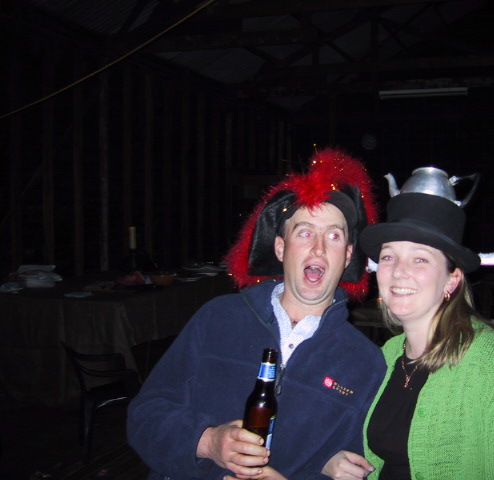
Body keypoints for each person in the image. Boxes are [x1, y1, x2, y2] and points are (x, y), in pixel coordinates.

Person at [127, 148, 386, 480]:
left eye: (333, 236)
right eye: (305, 232)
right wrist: (207, 442)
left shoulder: (365, 362)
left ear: (348, 255)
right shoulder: (217, 319)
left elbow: (354, 465)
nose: (319, 248)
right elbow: (145, 416)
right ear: (280, 248)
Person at [323, 177, 494, 479]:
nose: (398, 271)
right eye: (389, 256)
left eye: (420, 259)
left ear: (451, 279)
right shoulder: (386, 355)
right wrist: (334, 460)